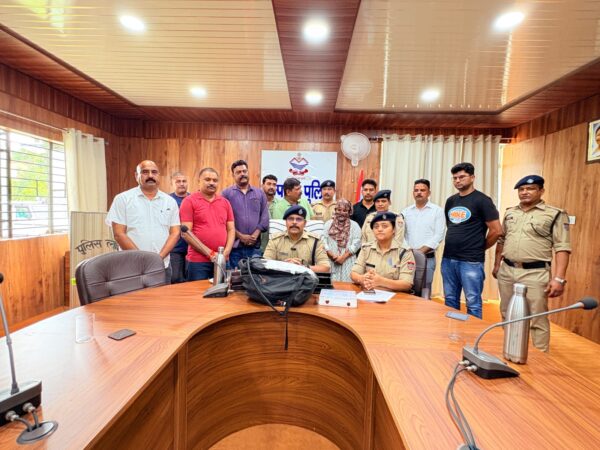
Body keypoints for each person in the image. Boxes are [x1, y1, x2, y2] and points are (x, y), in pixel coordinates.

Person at [493, 175, 571, 352]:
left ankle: (539, 358)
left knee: (537, 318)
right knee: (507, 313)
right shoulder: (510, 212)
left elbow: (562, 247)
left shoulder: (555, 214)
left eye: (530, 189)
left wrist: (559, 278)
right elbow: (502, 240)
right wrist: (497, 265)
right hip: (508, 270)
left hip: (535, 273)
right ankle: (510, 351)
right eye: (521, 189)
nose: (525, 192)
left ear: (541, 191)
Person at [442, 162, 502, 318]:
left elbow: (497, 230)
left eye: (462, 177)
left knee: (473, 302)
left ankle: (473, 333)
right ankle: (451, 331)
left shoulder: (483, 200)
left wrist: (480, 247)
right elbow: (452, 226)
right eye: (455, 178)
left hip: (471, 261)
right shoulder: (451, 201)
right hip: (448, 259)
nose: (457, 181)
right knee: (449, 300)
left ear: (472, 177)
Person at [106, 160, 180, 283]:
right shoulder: (123, 199)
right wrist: (141, 260)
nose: (150, 175)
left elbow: (175, 233)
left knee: (163, 296)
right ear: (136, 176)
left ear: (159, 176)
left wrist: (158, 259)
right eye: (145, 172)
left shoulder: (170, 201)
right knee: (133, 297)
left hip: (162, 266)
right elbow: (119, 234)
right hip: (131, 268)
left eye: (154, 172)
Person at [180, 168, 235, 281]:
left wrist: (226, 253)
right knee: (198, 292)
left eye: (215, 180)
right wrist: (210, 254)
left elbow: (231, 229)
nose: (211, 183)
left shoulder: (225, 203)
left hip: (222, 260)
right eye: (207, 179)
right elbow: (186, 233)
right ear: (199, 181)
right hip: (198, 262)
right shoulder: (189, 201)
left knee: (222, 291)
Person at [401, 179, 446, 298]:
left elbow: (439, 235)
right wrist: (409, 251)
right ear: (413, 193)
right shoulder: (406, 212)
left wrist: (420, 252)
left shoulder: (437, 211)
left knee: (425, 290)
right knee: (406, 288)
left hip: (427, 258)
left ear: (429, 193)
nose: (419, 193)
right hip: (408, 258)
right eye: (416, 190)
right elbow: (401, 234)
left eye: (422, 190)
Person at [222, 160, 269, 269]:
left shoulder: (260, 193)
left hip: (255, 248)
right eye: (238, 172)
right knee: (236, 277)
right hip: (235, 248)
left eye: (244, 171)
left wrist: (255, 234)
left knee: (255, 276)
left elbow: (264, 217)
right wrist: (240, 236)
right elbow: (223, 220)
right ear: (233, 175)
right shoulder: (226, 194)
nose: (242, 174)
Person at [351, 212, 415, 292]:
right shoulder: (366, 249)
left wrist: (381, 281)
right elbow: (354, 273)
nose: (380, 229)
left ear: (394, 230)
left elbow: (407, 284)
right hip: (369, 293)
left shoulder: (404, 252)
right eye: (376, 227)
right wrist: (362, 279)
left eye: (384, 226)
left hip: (395, 296)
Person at [263, 205, 330, 273]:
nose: (294, 222)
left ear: (305, 223)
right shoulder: (275, 240)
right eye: (291, 219)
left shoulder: (315, 241)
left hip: (306, 278)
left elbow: (326, 268)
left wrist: (303, 267)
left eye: (299, 219)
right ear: (286, 222)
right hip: (281, 278)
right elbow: (265, 265)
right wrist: (284, 266)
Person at [320, 199, 361, 281]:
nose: (341, 213)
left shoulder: (355, 226)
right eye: (339, 210)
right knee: (330, 285)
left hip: (348, 262)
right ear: (335, 210)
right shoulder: (328, 224)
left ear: (349, 212)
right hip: (330, 260)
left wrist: (343, 257)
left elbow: (357, 243)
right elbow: (322, 240)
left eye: (345, 210)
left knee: (347, 286)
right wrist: (331, 255)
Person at [169, 171, 190, 283]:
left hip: (192, 247)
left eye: (184, 181)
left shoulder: (193, 198)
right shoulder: (167, 200)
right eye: (178, 181)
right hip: (175, 248)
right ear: (172, 183)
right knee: (175, 278)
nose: (181, 184)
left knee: (190, 279)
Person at [260, 174, 281, 253]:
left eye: (274, 185)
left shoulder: (280, 204)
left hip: (276, 247)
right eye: (269, 184)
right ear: (262, 185)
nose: (272, 187)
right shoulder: (257, 202)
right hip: (258, 246)